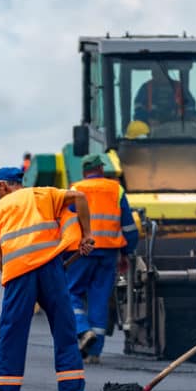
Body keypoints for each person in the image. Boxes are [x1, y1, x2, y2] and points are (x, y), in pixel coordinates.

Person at [0, 166, 96, 391]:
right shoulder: (43, 195)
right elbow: (79, 197)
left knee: (12, 337)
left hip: (19, 275)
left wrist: (16, 295)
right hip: (51, 269)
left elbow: (1, 260)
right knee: (65, 334)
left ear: (2, 186)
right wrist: (87, 234)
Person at [66, 153, 139, 364]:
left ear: (84, 171)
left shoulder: (76, 188)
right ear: (101, 169)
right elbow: (128, 226)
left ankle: (82, 330)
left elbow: (67, 221)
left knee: (70, 292)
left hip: (82, 251)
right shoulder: (116, 189)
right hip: (109, 253)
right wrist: (127, 252)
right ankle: (94, 352)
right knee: (99, 299)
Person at [133, 64, 196, 128]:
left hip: (179, 134)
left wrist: (191, 118)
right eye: (153, 72)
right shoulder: (146, 88)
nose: (154, 74)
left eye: (158, 71)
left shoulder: (179, 87)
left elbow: (191, 108)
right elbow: (138, 112)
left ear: (166, 72)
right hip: (153, 136)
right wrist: (147, 121)